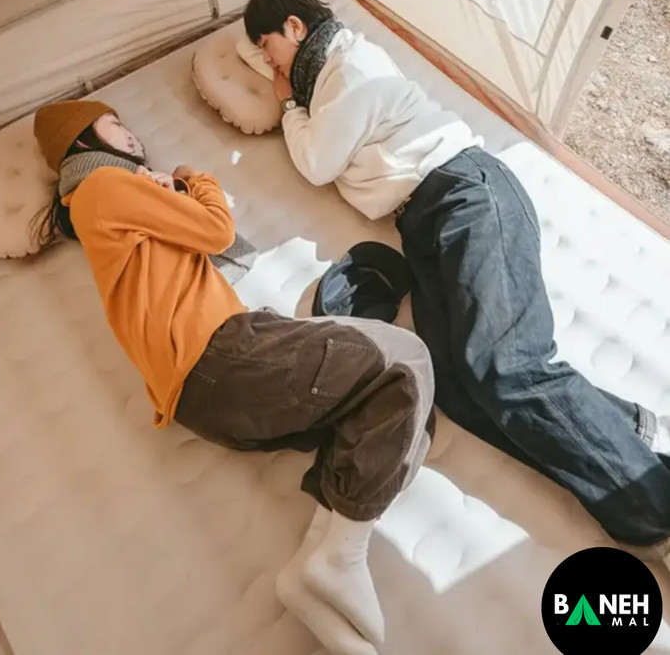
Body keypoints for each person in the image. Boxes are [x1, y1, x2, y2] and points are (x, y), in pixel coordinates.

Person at [243, 0, 670, 568]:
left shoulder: (348, 68)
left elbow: (317, 162)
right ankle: (632, 429)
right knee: (456, 386)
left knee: (505, 365)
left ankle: (656, 509)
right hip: (428, 221)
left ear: (294, 27)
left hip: (465, 193)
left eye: (267, 47)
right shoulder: (327, 71)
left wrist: (288, 101)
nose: (268, 64)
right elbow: (275, 68)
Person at [33, 98, 437, 655]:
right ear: (80, 138)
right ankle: (342, 554)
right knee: (406, 362)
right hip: (219, 355)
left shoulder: (112, 208)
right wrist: (192, 178)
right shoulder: (101, 187)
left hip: (213, 396)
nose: (128, 132)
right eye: (113, 123)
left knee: (390, 410)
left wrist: (167, 193)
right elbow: (217, 230)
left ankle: (319, 559)